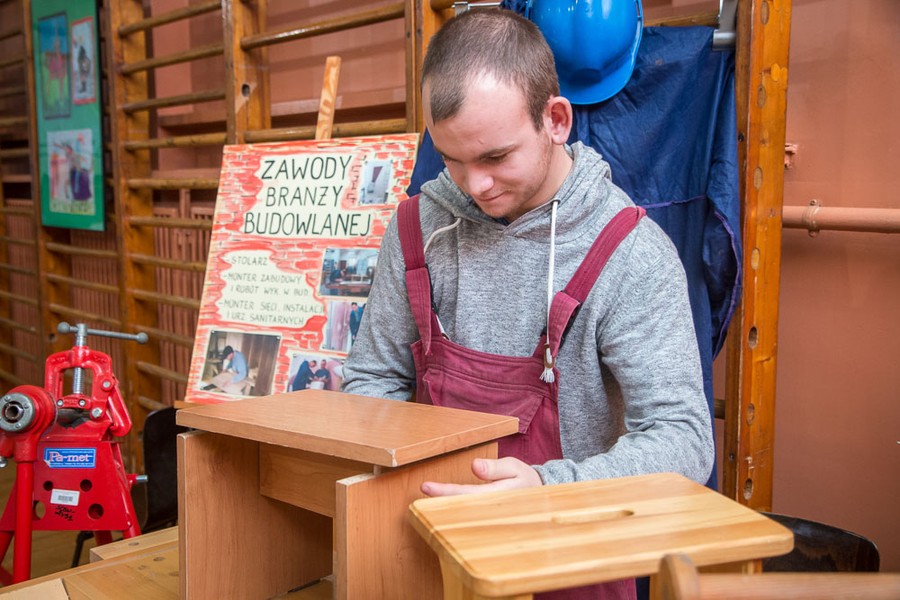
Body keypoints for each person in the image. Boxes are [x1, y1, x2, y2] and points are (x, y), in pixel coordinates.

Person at [342, 10, 712, 596]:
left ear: (556, 120)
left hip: (568, 560)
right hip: (421, 554)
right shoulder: (417, 225)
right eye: (452, 159)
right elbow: (371, 377)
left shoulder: (629, 252)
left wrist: (547, 488)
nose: (474, 185)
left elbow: (683, 438)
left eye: (494, 158)